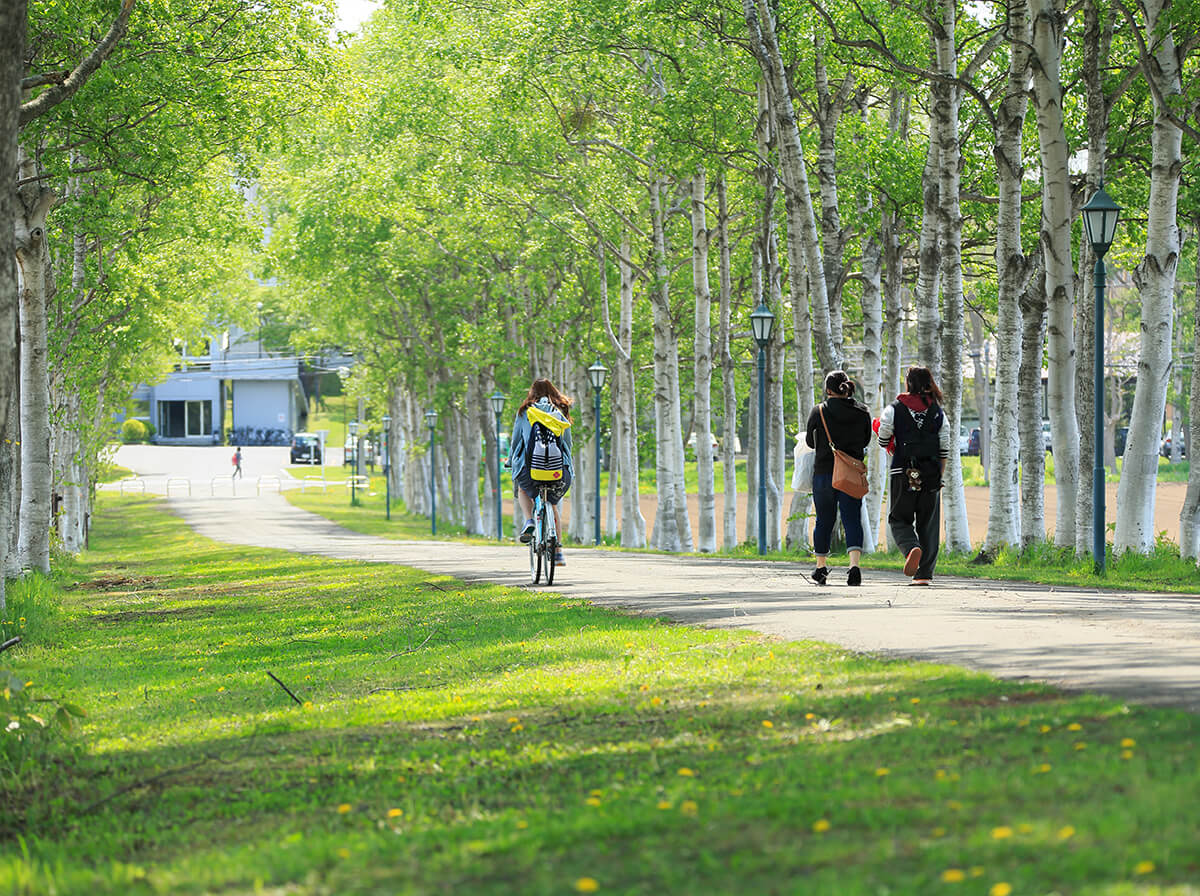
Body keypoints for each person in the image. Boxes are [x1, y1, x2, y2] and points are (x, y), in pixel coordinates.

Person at [875, 366, 954, 585]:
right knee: (928, 523)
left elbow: (883, 438)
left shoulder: (894, 409)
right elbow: (944, 447)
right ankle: (924, 574)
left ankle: (912, 547)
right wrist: (939, 475)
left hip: (902, 471)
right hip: (930, 474)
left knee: (899, 518)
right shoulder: (938, 412)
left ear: (907, 383)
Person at [805, 371, 873, 586]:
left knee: (824, 520)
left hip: (825, 472)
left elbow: (809, 442)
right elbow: (866, 440)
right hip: (850, 474)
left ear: (828, 390)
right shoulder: (862, 411)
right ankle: (854, 569)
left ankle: (821, 568)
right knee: (852, 518)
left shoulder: (819, 411)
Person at [509, 379, 574, 566]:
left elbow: (516, 440)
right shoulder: (560, 409)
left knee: (522, 489)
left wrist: (512, 460)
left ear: (532, 392)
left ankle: (529, 520)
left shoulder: (525, 411)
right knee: (552, 505)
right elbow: (566, 442)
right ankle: (558, 553)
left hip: (530, 469)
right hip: (557, 471)